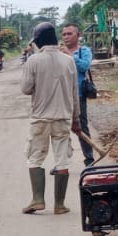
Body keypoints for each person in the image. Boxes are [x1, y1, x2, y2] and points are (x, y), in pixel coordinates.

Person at [19, 21, 80, 214]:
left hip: (41, 119)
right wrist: (76, 119)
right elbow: (75, 93)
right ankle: (60, 205)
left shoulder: (33, 61)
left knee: (35, 158)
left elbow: (25, 89)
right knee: (62, 160)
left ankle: (38, 200)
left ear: (38, 41)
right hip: (63, 118)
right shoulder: (68, 60)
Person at [61, 23, 95, 165]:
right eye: (64, 34)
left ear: (78, 35)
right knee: (61, 129)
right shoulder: (59, 52)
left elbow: (84, 66)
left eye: (70, 34)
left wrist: (70, 55)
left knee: (82, 127)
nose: (66, 37)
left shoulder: (84, 51)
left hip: (79, 95)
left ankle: (89, 159)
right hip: (62, 95)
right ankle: (62, 161)